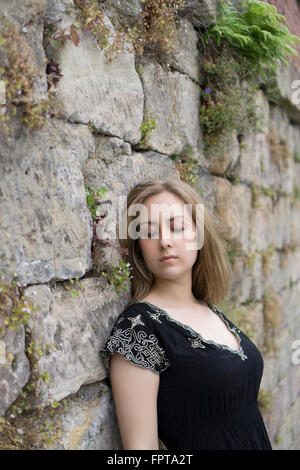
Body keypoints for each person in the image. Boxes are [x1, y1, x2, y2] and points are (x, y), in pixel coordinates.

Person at [99, 177, 273, 450]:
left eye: (177, 227)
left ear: (199, 234)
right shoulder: (139, 329)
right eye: (148, 232)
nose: (165, 241)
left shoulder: (208, 308)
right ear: (138, 247)